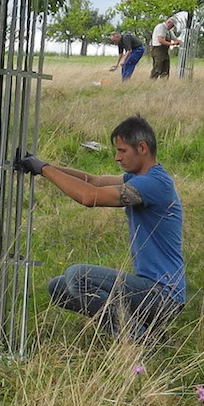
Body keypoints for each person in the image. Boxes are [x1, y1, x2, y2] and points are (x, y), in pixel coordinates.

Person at [14, 115, 185, 342]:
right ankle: (147, 330)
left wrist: (44, 169)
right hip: (148, 292)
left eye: (122, 150)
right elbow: (93, 181)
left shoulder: (153, 183)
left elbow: (90, 196)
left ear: (142, 148)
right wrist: (43, 166)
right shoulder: (138, 178)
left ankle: (138, 342)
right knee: (59, 287)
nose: (117, 157)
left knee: (78, 276)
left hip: (163, 297)